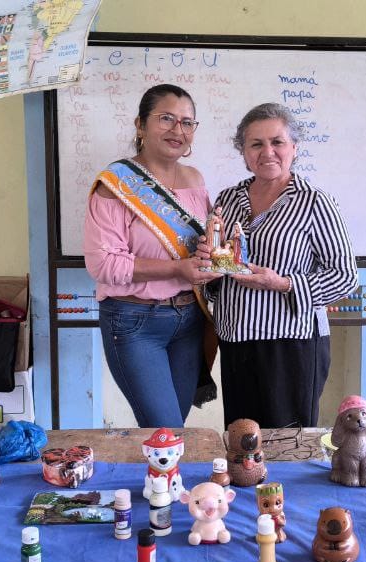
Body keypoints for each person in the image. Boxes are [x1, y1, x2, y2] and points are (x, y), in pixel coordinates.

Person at [207, 102, 358, 428]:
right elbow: (218, 267)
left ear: (294, 148)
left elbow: (345, 277)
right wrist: (211, 267)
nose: (268, 152)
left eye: (277, 142)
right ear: (243, 151)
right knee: (242, 438)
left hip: (290, 344)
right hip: (234, 339)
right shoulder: (227, 200)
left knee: (288, 441)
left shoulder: (315, 202)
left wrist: (283, 283)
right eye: (256, 144)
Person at [83, 84, 221, 428]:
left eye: (187, 122)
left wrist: (213, 255)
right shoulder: (115, 184)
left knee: (174, 432)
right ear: (140, 125)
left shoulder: (195, 180)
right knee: (165, 430)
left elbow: (202, 246)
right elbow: (103, 265)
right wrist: (178, 269)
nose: (178, 130)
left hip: (190, 319)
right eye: (166, 119)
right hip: (134, 322)